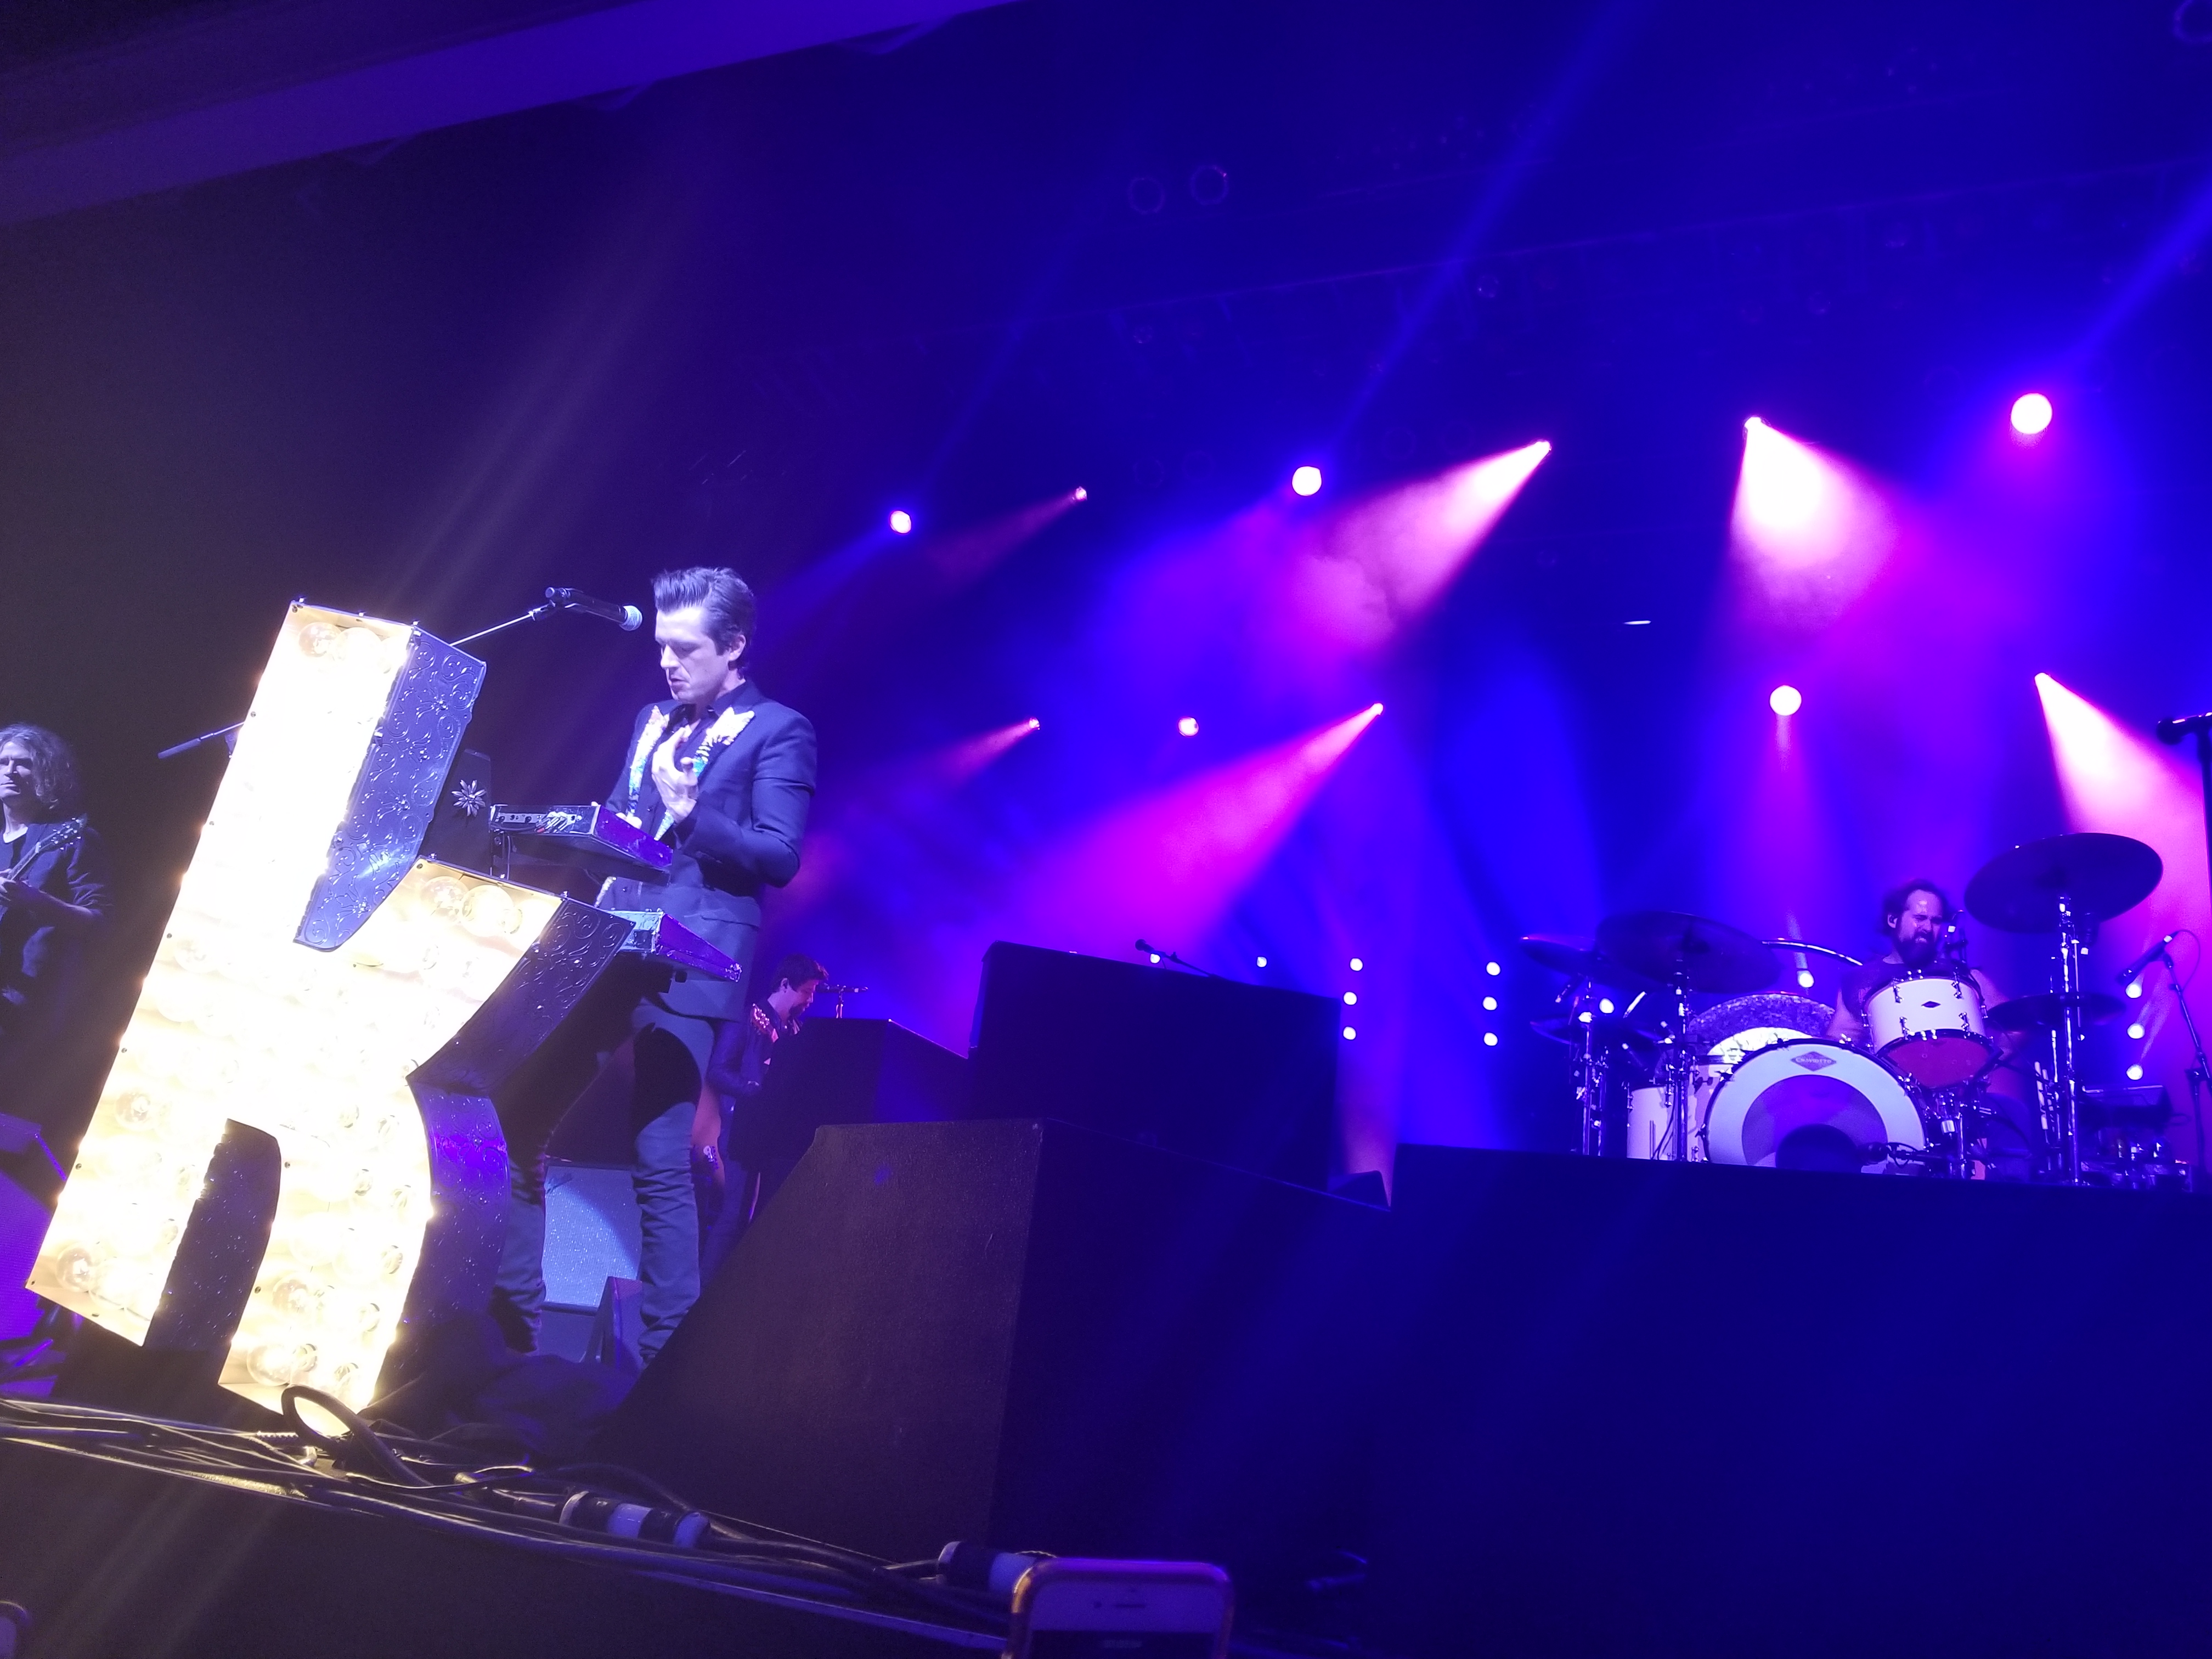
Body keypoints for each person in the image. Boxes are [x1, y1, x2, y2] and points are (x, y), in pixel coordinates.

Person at [492, 568, 816, 1363]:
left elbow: (780, 856)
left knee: (658, 1156)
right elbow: (619, 827)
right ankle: (512, 1339)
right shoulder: (651, 720)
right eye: (662, 648)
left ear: (733, 646)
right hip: (612, 941)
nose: (668, 664)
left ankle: (664, 1370)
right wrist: (556, 835)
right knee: (517, 1119)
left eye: (686, 649)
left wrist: (693, 814)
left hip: (691, 958)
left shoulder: (779, 729)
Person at [0, 725, 110, 1181]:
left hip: (22, 1002)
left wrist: (37, 901)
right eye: (4, 761)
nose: (11, 771)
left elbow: (99, 921)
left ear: (45, 773)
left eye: (23, 763)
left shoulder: (70, 838)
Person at [695, 952, 827, 1280]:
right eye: (806, 991)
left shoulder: (794, 1030)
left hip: (772, 1133)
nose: (810, 1000)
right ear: (785, 985)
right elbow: (717, 1071)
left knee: (755, 1215)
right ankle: (705, 1291)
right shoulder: (747, 1018)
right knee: (734, 1215)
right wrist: (755, 1089)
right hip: (742, 1129)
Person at [1825, 879, 2002, 1045]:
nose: (1928, 928)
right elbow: (1837, 1043)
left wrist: (1987, 1062)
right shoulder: (1859, 979)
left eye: (1936, 921)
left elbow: (2013, 1029)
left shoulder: (1963, 975)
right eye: (1920, 918)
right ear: (1893, 920)